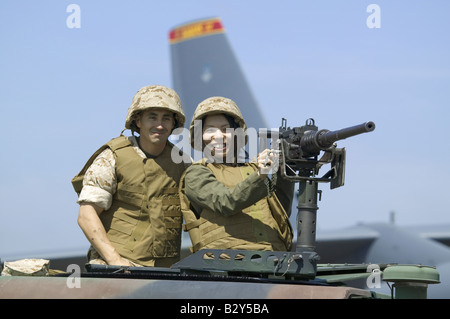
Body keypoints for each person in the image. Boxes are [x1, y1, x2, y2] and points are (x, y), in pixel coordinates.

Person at [72, 85, 190, 267]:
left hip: (165, 272)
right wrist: (116, 262)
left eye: (166, 118)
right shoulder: (113, 157)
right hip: (116, 265)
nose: (159, 125)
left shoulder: (182, 164)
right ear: (138, 121)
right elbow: (86, 215)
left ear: (174, 123)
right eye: (152, 117)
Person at [179, 96, 293, 254]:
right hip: (226, 262)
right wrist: (260, 174)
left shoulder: (253, 170)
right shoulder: (197, 173)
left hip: (272, 257)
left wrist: (284, 166)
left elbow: (281, 210)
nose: (219, 136)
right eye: (210, 130)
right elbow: (225, 202)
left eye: (226, 129)